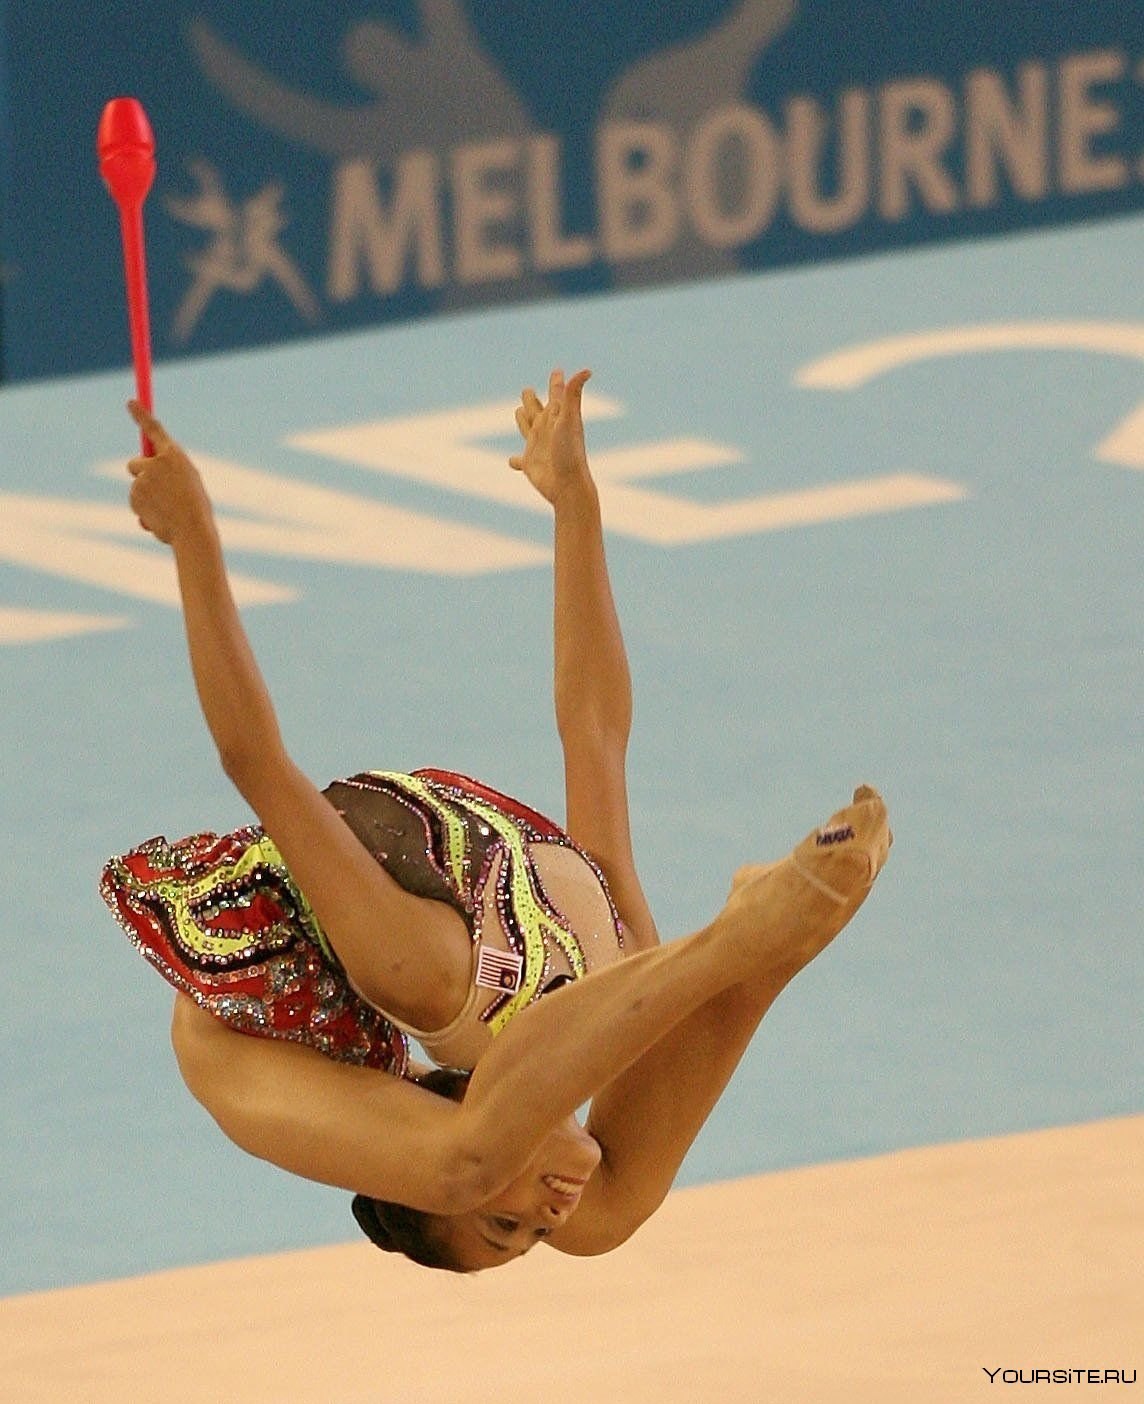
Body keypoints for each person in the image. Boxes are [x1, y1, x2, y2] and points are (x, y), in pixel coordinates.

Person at [101, 368, 891, 1274]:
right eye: (528, 1235)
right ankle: (760, 954)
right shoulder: (608, 942)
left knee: (462, 1160)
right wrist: (575, 505)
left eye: (507, 1224)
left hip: (260, 1012)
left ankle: (739, 940)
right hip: (486, 923)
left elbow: (257, 764)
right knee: (608, 1221)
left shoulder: (413, 971)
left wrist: (194, 535)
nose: (544, 1215)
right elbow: (595, 730)